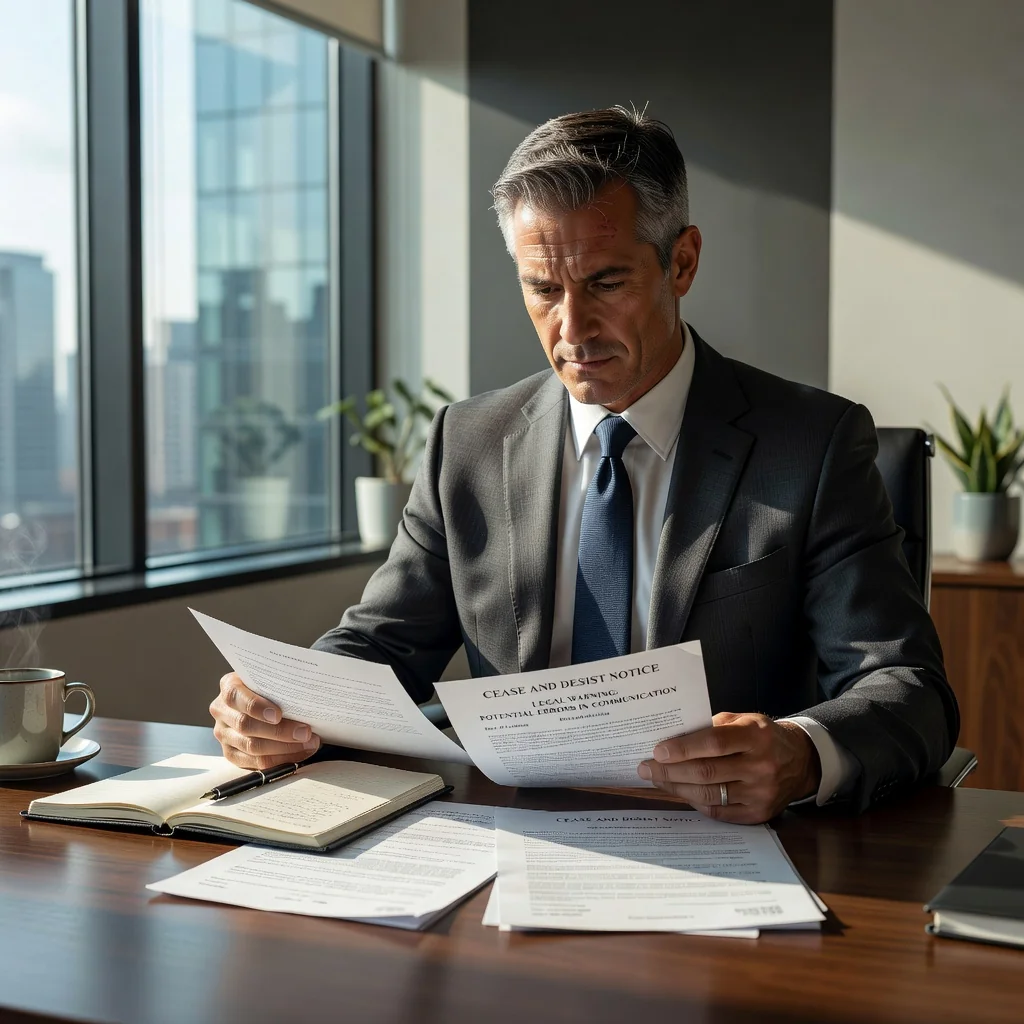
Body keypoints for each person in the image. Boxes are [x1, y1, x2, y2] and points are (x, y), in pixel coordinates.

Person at [209, 106, 958, 824]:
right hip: (504, 835)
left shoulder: (813, 444)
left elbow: (906, 688)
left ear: (683, 262)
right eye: (543, 288)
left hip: (725, 844)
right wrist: (280, 705)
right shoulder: (466, 443)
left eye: (606, 283)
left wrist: (800, 753)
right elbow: (380, 646)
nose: (573, 329)